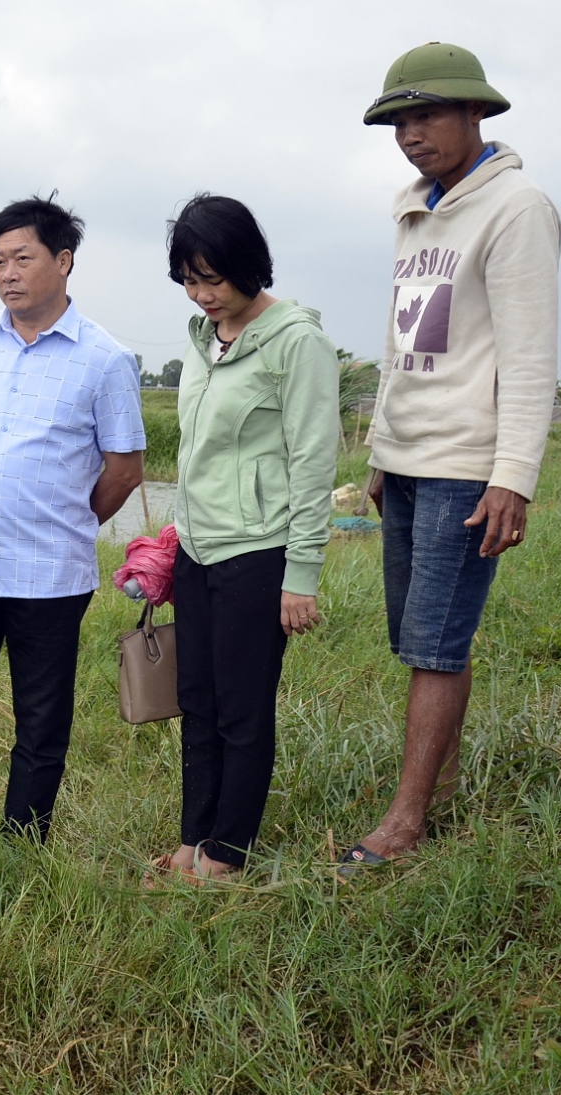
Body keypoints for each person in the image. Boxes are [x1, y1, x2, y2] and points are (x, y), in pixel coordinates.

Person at [341, 43, 560, 878]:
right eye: (399, 119)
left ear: (476, 112)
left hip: (468, 462)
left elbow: (531, 355)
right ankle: (441, 781)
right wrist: (378, 450)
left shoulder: (517, 207)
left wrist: (514, 475)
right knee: (417, 632)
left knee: (435, 640)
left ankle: (405, 820)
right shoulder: (414, 208)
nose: (410, 134)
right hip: (408, 455)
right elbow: (402, 346)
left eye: (426, 115)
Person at [0, 195, 146, 843]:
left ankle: (22, 844)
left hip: (51, 575)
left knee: (40, 720)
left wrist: (67, 516)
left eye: (22, 257)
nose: (8, 272)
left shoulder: (106, 359)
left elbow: (124, 469)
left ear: (64, 260)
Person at [147, 195, 339, 884]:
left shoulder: (296, 342)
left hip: (258, 554)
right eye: (190, 280)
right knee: (196, 699)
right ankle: (192, 837)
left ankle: (229, 851)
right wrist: (172, 539)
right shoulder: (203, 340)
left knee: (243, 707)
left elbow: (315, 462)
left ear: (247, 265)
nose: (202, 295)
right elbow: (200, 452)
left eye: (213, 278)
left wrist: (303, 572)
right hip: (198, 550)